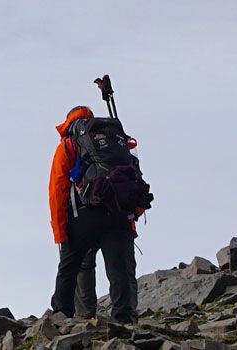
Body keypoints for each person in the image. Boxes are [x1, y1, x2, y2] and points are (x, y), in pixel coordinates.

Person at [48, 106, 145, 324]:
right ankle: (125, 317)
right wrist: (132, 217)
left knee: (72, 265)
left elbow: (58, 189)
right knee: (120, 268)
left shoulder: (69, 143)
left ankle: (64, 315)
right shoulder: (117, 140)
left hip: (85, 215)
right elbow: (133, 178)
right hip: (119, 213)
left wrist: (60, 233)